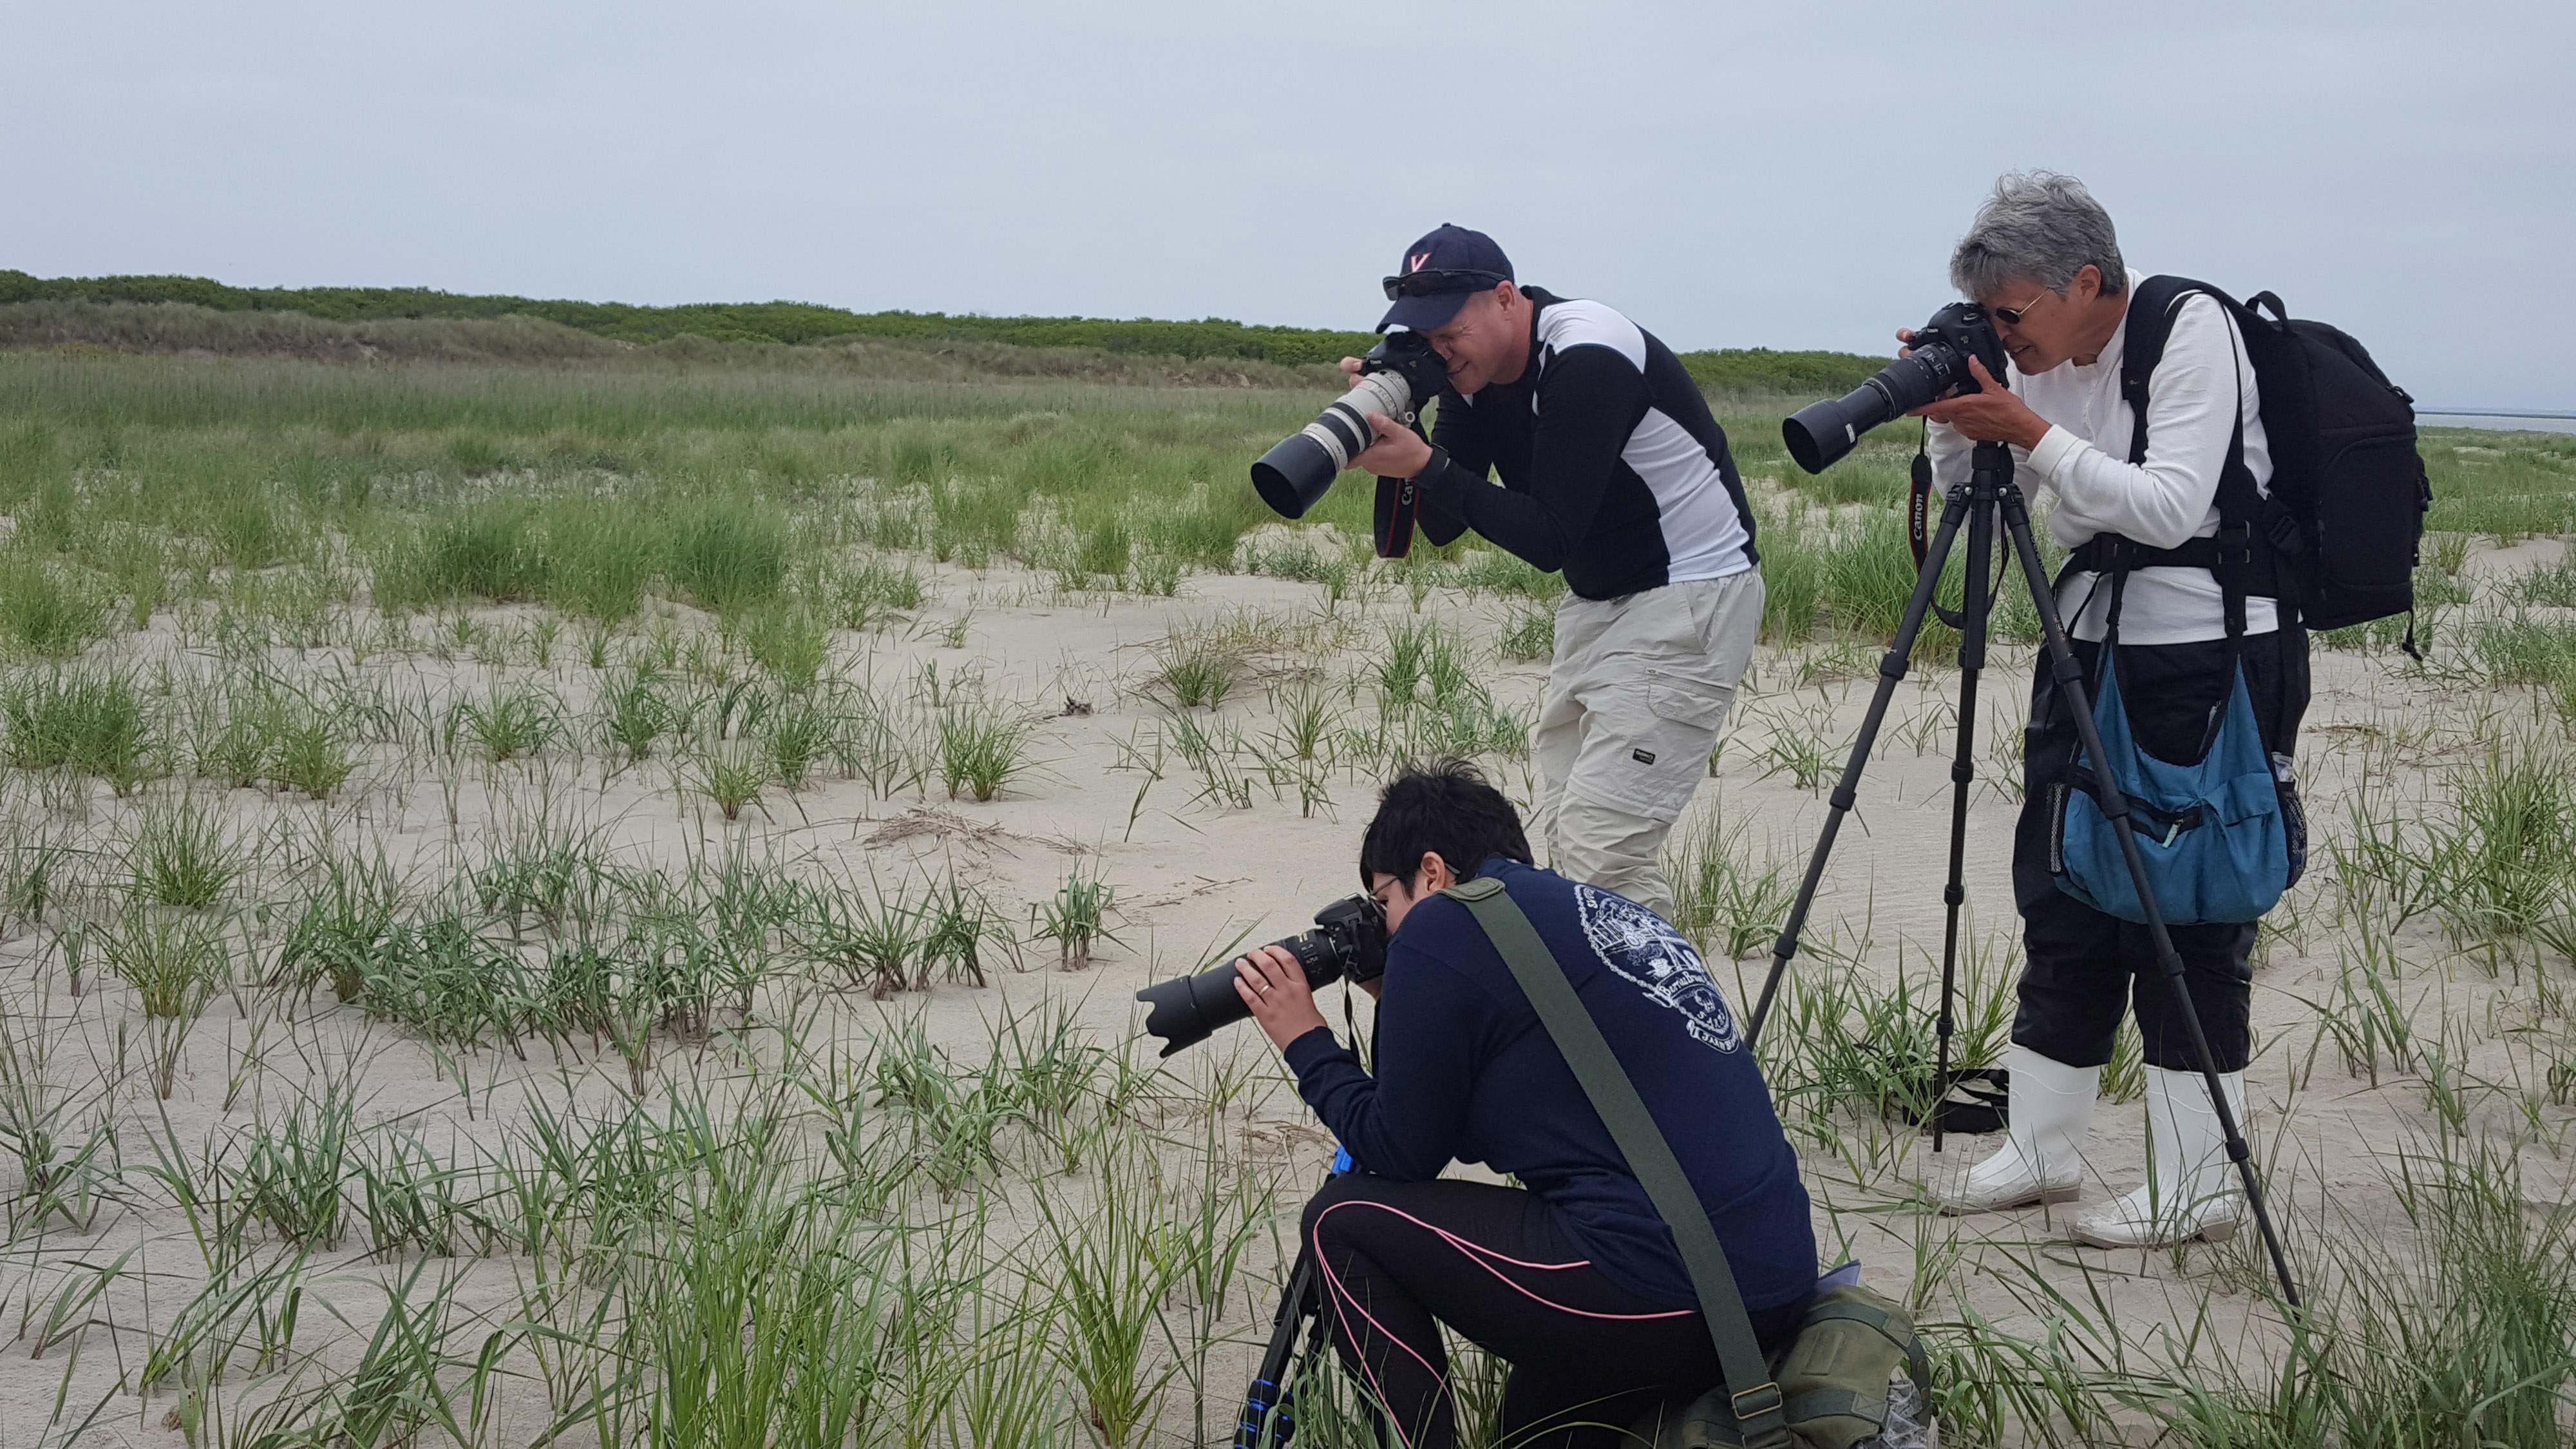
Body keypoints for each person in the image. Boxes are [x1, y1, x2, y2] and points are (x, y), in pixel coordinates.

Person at [1915, 172, 2308, 1248]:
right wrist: (1962, 419)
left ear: (2085, 281)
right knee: (2065, 890)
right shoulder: (2040, 360)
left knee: (2187, 900)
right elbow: (1997, 518)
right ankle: (2040, 1150)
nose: (2007, 334)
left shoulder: (2189, 328)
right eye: (1989, 317)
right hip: (2086, 638)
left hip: (2207, 653)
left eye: (2014, 313)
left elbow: (2173, 503)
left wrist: (2027, 427)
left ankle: (2198, 1184)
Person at [1230, 761, 1814, 1449]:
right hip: (1769, 1286)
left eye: (1383, 902)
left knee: (1343, 1221)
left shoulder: (1440, 925)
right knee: (1533, 1432)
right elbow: (1486, 1112)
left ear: (1433, 871)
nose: (1384, 929)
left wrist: (1306, 1040)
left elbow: (1399, 1151)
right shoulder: (1591, 912)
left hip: (1656, 1283)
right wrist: (1407, 999)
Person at [1336, 225, 1764, 920]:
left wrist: (1425, 463)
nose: (1438, 348)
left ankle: (1672, 1022)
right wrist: (1406, 413)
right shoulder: (1471, 377)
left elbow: (1547, 537)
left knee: (1604, 850)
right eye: (1423, 334)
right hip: (1599, 603)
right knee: (1570, 836)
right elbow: (1443, 521)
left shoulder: (1586, 353)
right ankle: (1623, 1010)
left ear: (1506, 299)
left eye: (1448, 328)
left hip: (1689, 596)